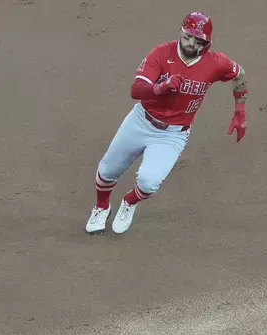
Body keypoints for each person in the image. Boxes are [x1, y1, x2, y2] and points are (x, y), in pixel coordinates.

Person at [85, 11, 249, 235]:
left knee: (148, 182)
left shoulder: (216, 63)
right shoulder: (161, 54)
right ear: (181, 33)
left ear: (206, 43)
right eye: (188, 36)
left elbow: (239, 75)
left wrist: (240, 111)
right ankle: (101, 207)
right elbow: (136, 90)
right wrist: (159, 88)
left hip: (173, 133)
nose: (191, 43)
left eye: (197, 39)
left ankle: (129, 202)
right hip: (141, 120)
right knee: (108, 170)